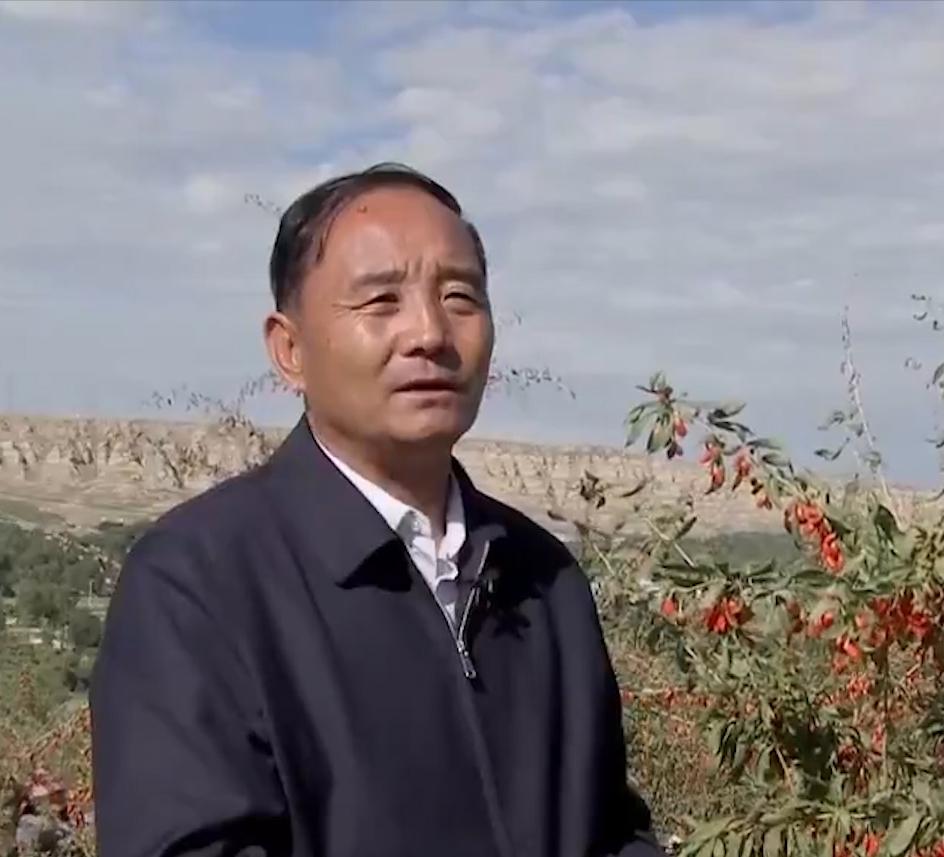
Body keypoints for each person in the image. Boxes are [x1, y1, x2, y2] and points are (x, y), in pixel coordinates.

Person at [88, 163, 667, 857]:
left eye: (459, 296)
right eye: (380, 301)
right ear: (289, 349)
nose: (428, 332)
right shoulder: (198, 582)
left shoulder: (543, 579)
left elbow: (608, 830)